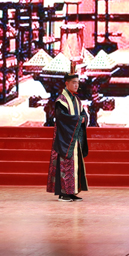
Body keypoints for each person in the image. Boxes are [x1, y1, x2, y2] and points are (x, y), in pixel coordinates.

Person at [46, 68, 89, 202]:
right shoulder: (61, 100)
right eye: (74, 82)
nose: (76, 85)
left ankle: (71, 192)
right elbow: (61, 117)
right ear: (67, 83)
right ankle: (63, 193)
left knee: (74, 165)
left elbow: (83, 114)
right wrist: (78, 119)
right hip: (64, 138)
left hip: (74, 137)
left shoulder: (76, 100)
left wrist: (83, 118)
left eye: (77, 82)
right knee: (64, 165)